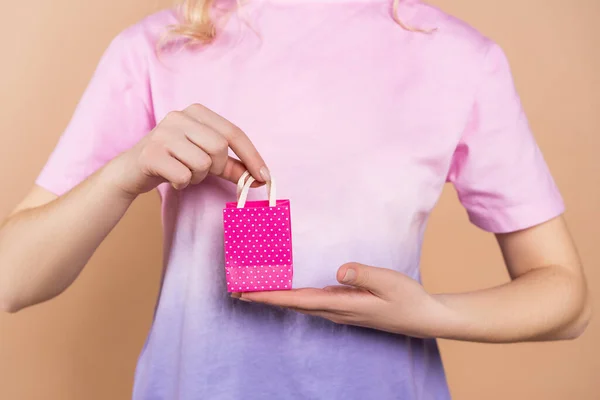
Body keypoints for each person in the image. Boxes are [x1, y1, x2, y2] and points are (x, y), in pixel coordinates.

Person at [0, 0, 591, 399]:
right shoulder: (158, 47)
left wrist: (430, 313)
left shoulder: (459, 57)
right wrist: (124, 174)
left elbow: (567, 299)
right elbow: (10, 278)